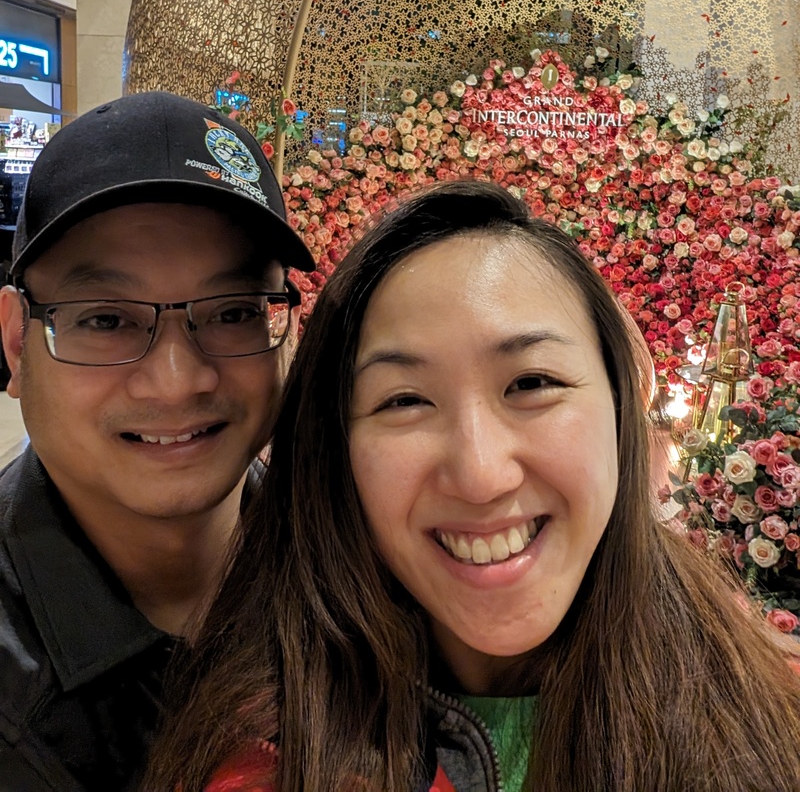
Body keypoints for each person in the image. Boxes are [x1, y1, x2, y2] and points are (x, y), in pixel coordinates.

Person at [148, 180, 800, 792]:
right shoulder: (263, 763)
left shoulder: (774, 714)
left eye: (532, 383)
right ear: (336, 453)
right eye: (405, 400)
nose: (481, 475)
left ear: (621, 409)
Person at [0, 90, 314, 792]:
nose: (177, 382)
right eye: (106, 320)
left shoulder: (355, 577)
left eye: (232, 312)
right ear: (17, 343)